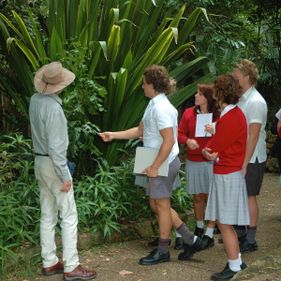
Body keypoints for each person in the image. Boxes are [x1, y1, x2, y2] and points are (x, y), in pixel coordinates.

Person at [100, 64, 202, 265]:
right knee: (156, 204)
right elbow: (140, 132)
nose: (142, 87)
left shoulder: (161, 108)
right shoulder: (154, 104)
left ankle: (163, 250)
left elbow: (169, 141)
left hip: (161, 160)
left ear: (152, 85)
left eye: (144, 84)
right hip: (155, 157)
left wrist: (155, 166)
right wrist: (112, 135)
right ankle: (191, 239)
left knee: (162, 205)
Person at [29, 61, 96, 280]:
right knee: (68, 214)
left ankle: (49, 262)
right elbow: (57, 149)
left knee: (47, 213)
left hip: (39, 162)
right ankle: (72, 266)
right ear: (61, 84)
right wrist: (65, 175)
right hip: (53, 164)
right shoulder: (54, 108)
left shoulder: (35, 100)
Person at [202, 74, 249, 281]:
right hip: (229, 172)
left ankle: (234, 266)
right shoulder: (234, 114)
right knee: (225, 222)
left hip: (227, 174)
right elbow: (224, 145)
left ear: (220, 94)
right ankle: (237, 260)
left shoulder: (231, 117)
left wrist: (209, 151)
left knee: (224, 223)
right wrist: (213, 151)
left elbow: (212, 147)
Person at [178, 84, 220, 250]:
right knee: (197, 196)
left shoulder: (217, 115)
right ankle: (199, 226)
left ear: (207, 98)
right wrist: (187, 141)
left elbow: (225, 134)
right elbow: (179, 133)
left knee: (211, 196)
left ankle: (210, 232)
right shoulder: (189, 113)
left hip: (210, 160)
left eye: (199, 94)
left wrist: (215, 131)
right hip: (193, 160)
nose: (195, 96)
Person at [233, 59, 267, 253]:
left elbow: (252, 137)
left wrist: (244, 163)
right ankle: (242, 232)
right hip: (242, 155)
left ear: (246, 76)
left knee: (249, 196)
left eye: (237, 72)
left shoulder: (255, 101)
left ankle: (251, 239)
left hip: (252, 157)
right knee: (242, 195)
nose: (234, 75)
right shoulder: (242, 98)